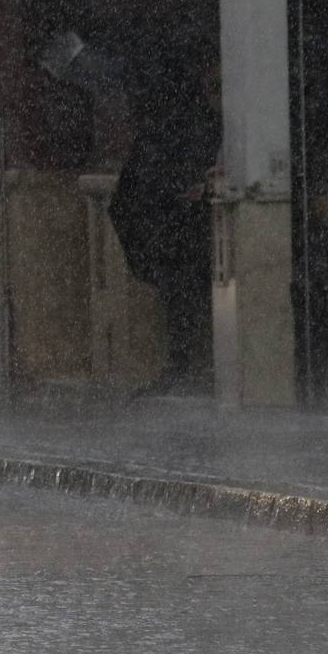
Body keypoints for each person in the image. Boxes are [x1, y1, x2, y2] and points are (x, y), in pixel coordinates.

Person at [110, 58, 222, 399]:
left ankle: (183, 369)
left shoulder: (164, 131)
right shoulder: (192, 126)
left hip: (173, 240)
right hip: (180, 238)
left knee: (180, 304)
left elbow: (126, 199)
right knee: (184, 303)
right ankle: (188, 370)